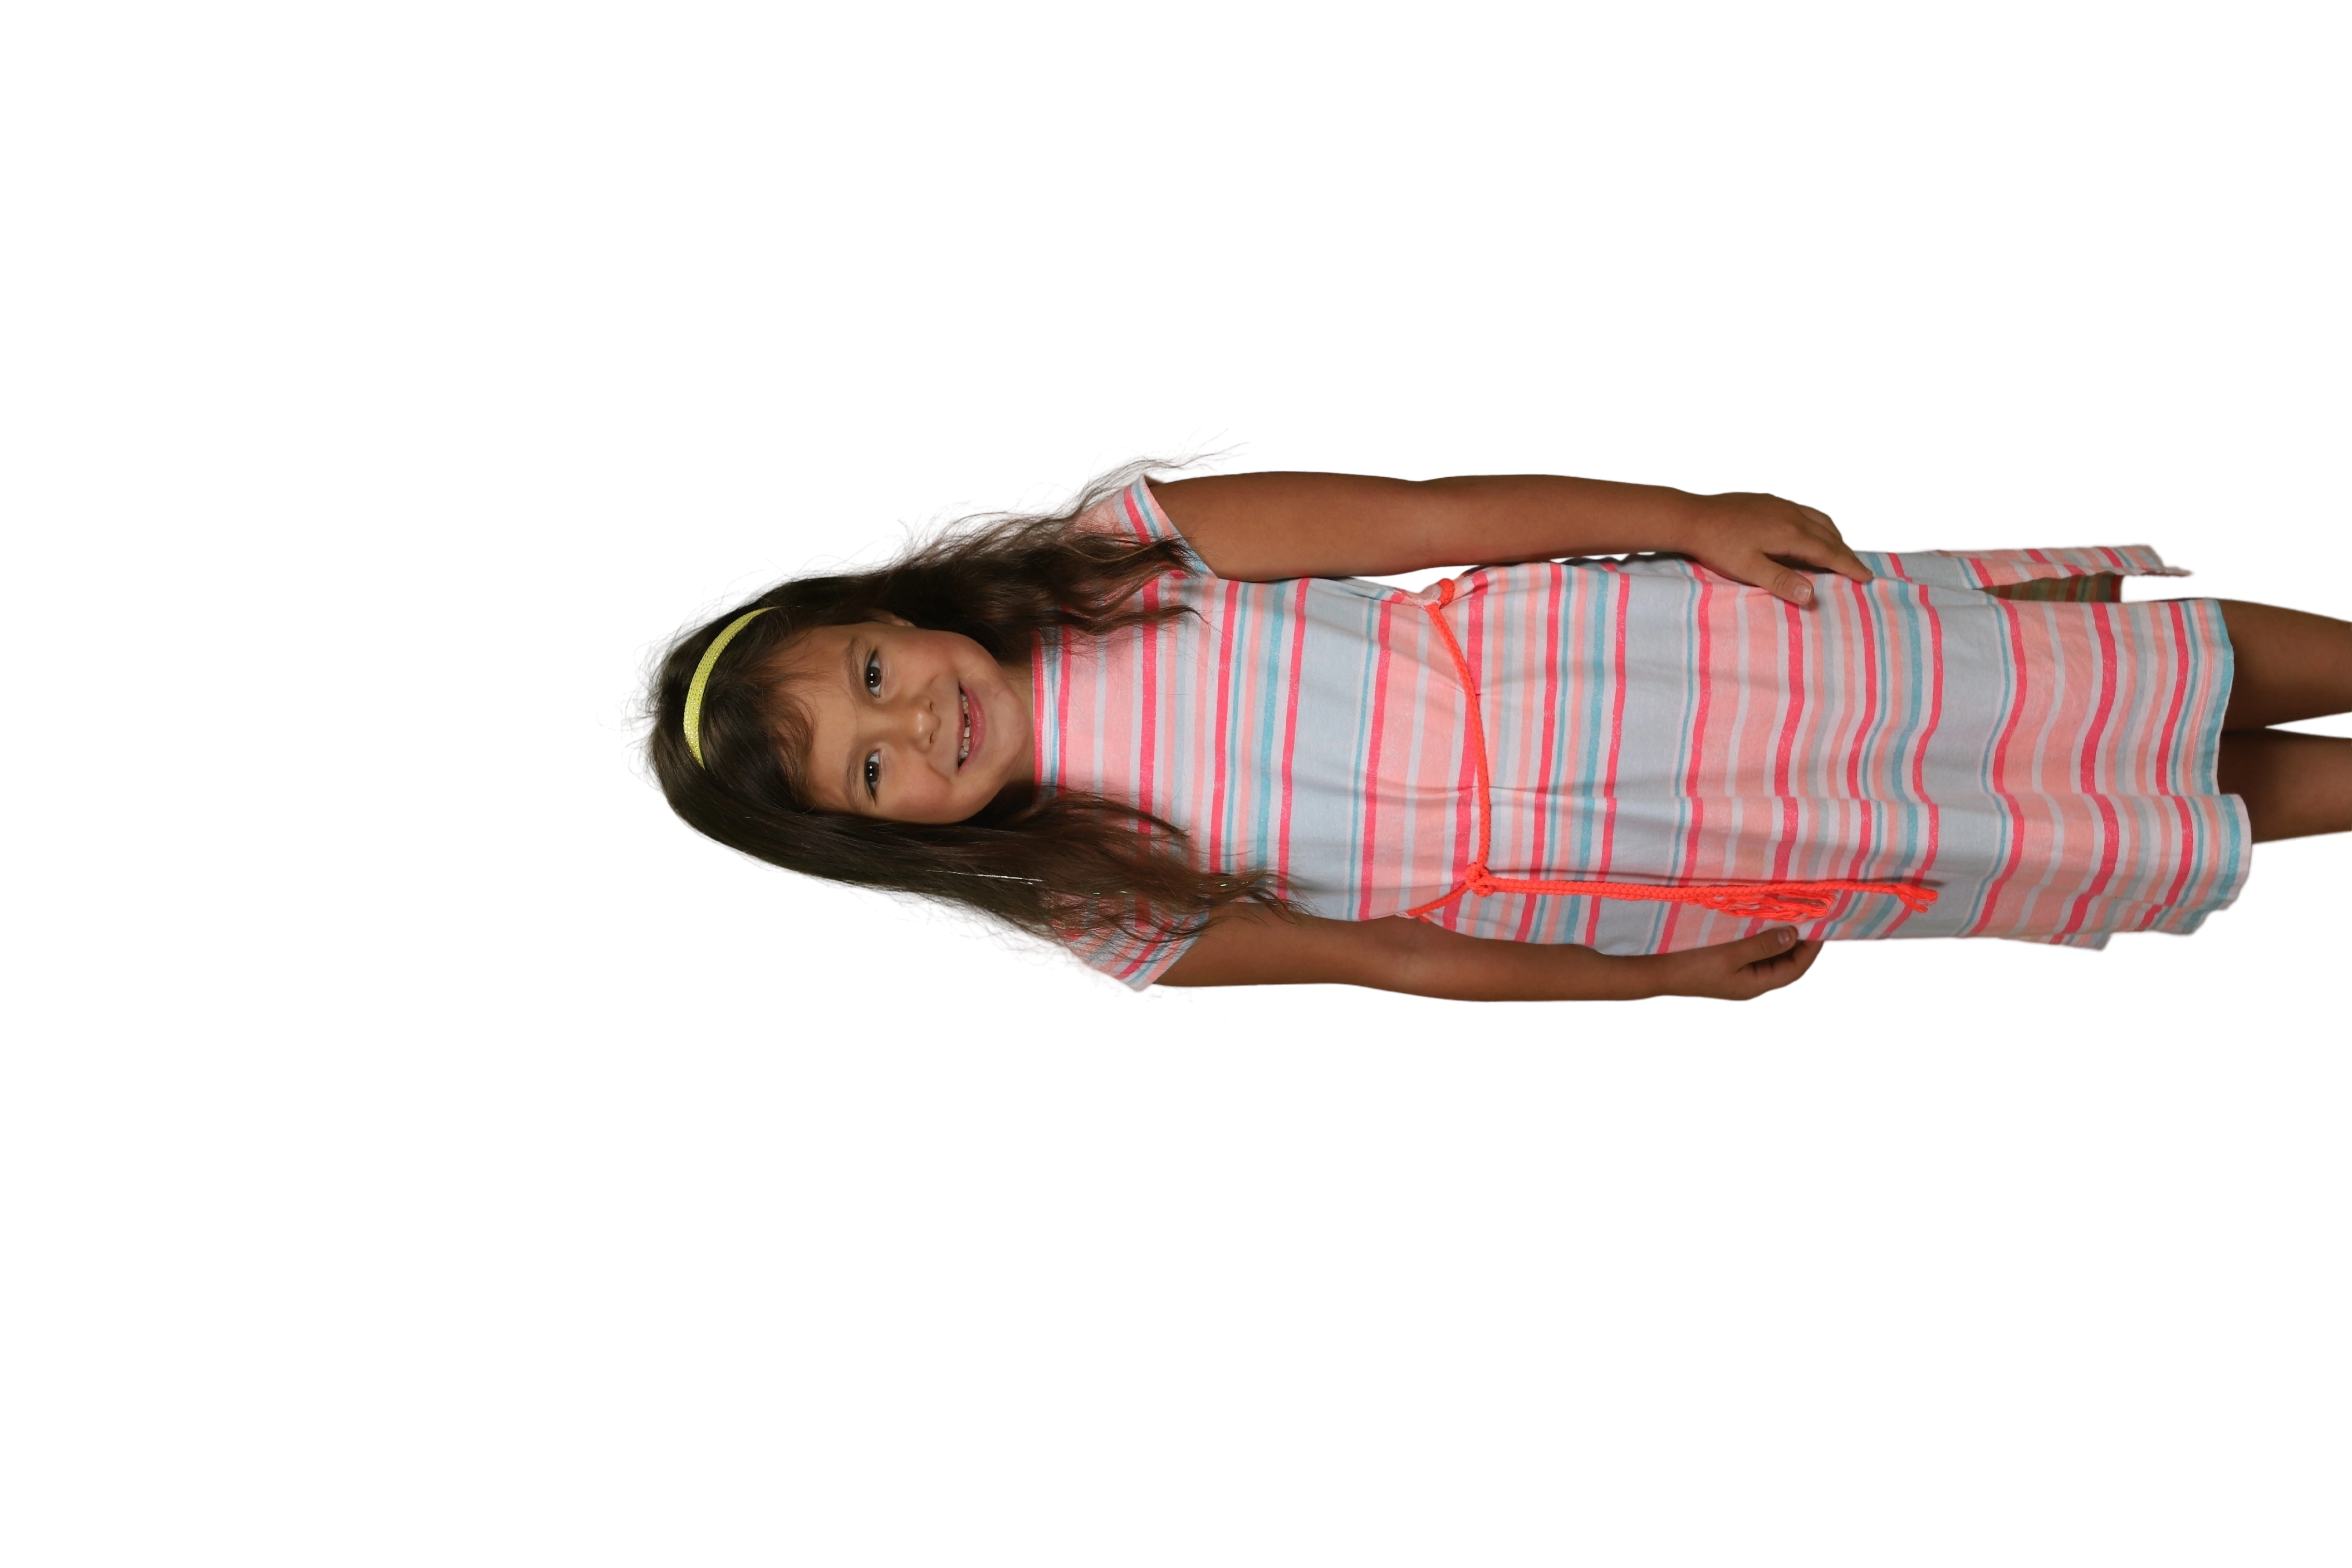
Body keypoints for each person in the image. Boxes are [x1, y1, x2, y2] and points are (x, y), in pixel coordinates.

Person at [599, 427, 2352, 1006]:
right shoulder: (1091, 906)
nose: (917, 728)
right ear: (883, 841)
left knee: (2121, 678)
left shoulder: (1122, 555)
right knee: (2090, 803)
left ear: (887, 609)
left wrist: (1682, 518)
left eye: (875, 679)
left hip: (1675, 662)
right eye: (874, 773)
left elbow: (1436, 522)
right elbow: (1387, 960)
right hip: (1655, 843)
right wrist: (1648, 986)